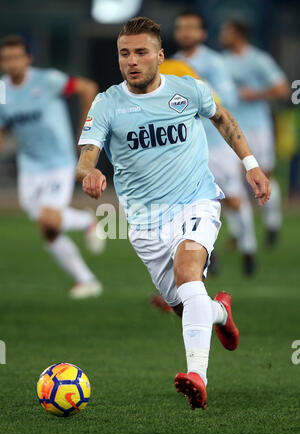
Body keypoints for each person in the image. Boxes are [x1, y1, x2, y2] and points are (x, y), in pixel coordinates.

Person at [76, 17, 270, 410]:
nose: (132, 61)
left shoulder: (188, 89)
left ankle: (197, 375)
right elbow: (86, 157)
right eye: (124, 53)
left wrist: (250, 164)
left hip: (196, 201)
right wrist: (90, 172)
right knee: (185, 304)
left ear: (160, 56)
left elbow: (222, 117)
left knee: (188, 273)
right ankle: (219, 311)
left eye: (141, 52)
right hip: (145, 223)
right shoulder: (108, 103)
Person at [0, 35, 105, 299]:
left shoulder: (46, 80)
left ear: (28, 59)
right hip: (30, 165)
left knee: (49, 218)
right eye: (5, 58)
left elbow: (88, 87)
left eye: (16, 57)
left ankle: (86, 232)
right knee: (48, 228)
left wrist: (86, 128)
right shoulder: (1, 89)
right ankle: (86, 277)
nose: (11, 63)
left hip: (59, 162)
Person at [172, 10, 258, 275]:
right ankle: (210, 252)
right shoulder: (170, 64)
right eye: (181, 28)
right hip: (187, 147)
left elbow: (227, 99)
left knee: (232, 199)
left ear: (202, 34)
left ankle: (248, 248)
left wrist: (197, 90)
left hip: (217, 145)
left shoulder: (214, 63)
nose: (185, 32)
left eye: (191, 28)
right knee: (190, 202)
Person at [219, 19, 290, 246]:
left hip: (259, 127)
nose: (222, 34)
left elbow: (282, 88)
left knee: (264, 177)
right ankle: (239, 233)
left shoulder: (258, 60)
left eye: (226, 31)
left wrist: (256, 94)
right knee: (232, 181)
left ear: (238, 34)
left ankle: (272, 223)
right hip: (232, 129)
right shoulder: (221, 62)